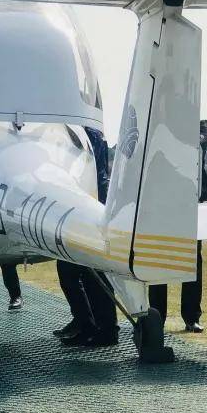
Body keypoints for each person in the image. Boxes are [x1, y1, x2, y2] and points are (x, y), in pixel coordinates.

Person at [148, 118, 207, 332]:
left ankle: (191, 316)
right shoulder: (158, 125)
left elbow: (199, 142)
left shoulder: (200, 127)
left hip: (190, 200)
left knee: (193, 260)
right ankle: (157, 315)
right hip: (163, 199)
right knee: (159, 259)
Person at [59, 125, 119, 347]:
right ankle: (90, 323)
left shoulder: (82, 134)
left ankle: (100, 327)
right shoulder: (92, 133)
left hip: (86, 207)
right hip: (91, 204)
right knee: (79, 273)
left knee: (83, 272)